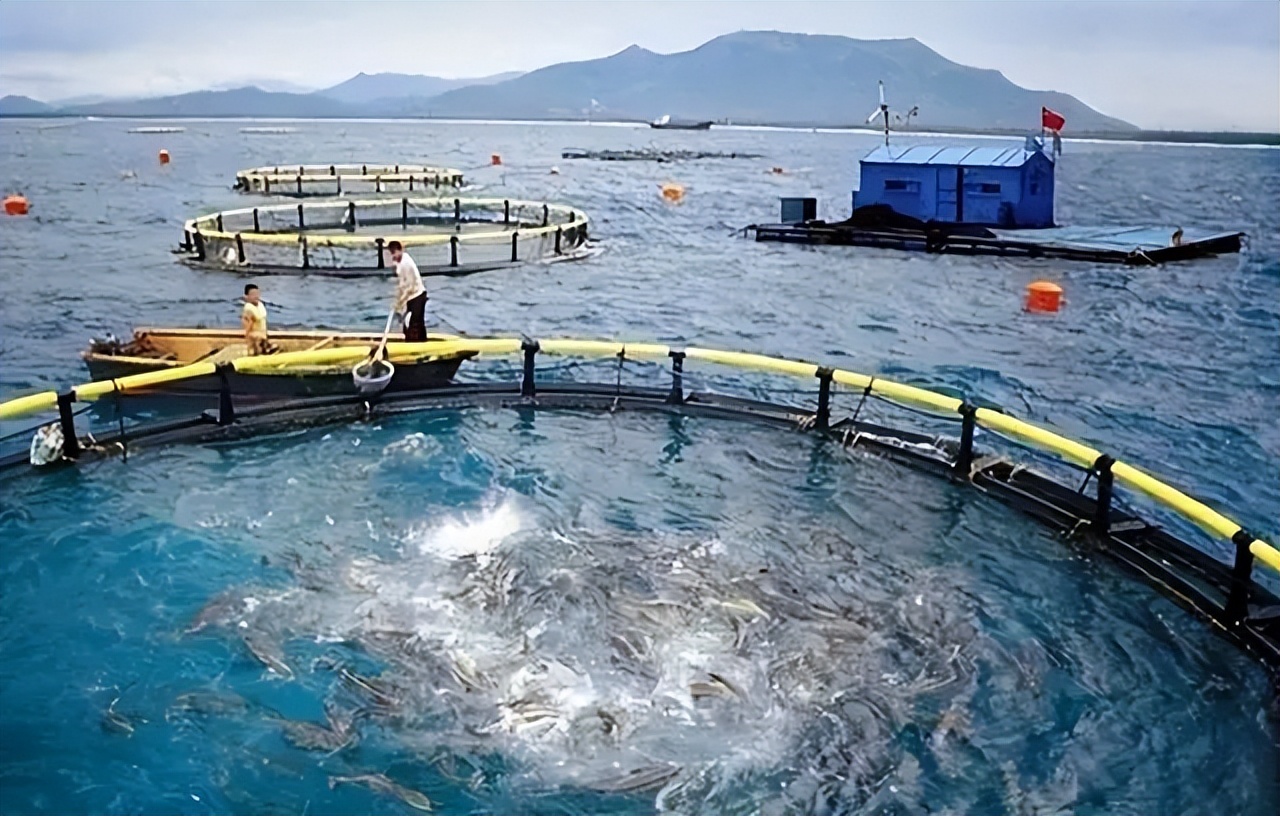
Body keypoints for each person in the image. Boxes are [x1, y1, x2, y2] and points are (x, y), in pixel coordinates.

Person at [388, 240, 427, 342]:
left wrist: (401, 301)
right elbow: (402, 284)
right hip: (410, 297)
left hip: (417, 295)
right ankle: (411, 340)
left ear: (401, 250)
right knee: (407, 323)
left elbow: (410, 286)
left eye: (395, 252)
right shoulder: (399, 264)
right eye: (392, 253)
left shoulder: (407, 263)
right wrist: (397, 300)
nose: (394, 255)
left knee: (416, 324)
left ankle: (417, 343)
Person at [241, 283, 270, 355]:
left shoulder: (260, 305)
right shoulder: (248, 308)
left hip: (263, 335)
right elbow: (248, 325)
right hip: (255, 338)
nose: (256, 296)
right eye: (253, 294)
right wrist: (247, 340)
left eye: (257, 294)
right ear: (246, 297)